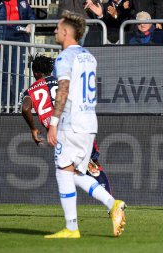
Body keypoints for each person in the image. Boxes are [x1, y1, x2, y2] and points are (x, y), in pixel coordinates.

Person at [45, 11, 126, 238]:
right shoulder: (89, 56)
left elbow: (63, 90)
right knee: (76, 174)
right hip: (89, 122)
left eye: (58, 27)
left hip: (71, 123)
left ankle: (71, 228)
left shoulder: (64, 58)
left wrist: (53, 123)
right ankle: (113, 204)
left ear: (66, 31)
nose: (54, 30)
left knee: (63, 172)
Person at [20, 54, 112, 195]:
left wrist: (33, 129)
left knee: (70, 173)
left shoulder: (30, 91)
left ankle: (104, 204)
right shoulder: (62, 82)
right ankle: (111, 205)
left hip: (59, 136)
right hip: (77, 126)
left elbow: (26, 108)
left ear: (35, 73)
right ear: (50, 71)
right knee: (92, 167)